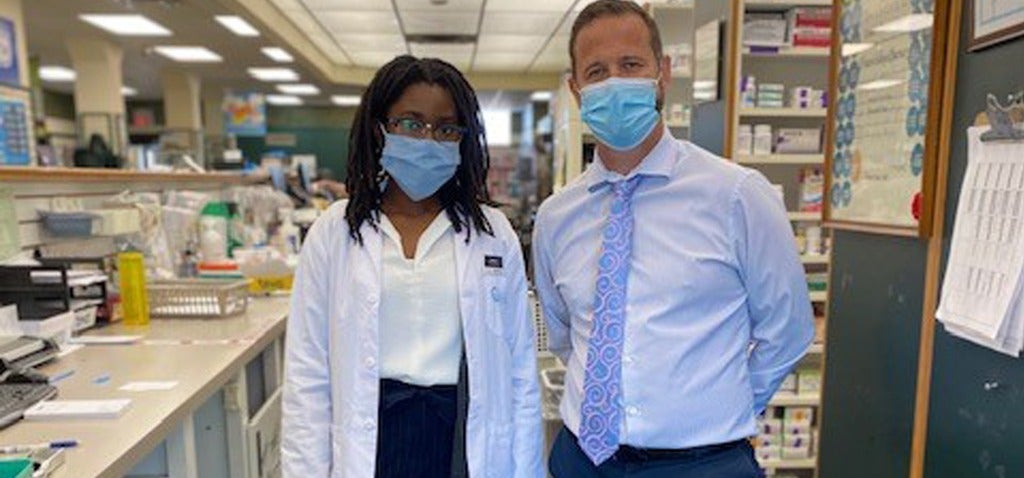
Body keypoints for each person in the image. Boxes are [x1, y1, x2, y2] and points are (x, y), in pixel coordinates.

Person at [532, 1, 815, 477]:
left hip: (704, 462)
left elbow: (787, 330)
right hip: (581, 460)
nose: (614, 82)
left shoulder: (737, 196)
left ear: (662, 74)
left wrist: (717, 408)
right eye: (597, 72)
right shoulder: (556, 216)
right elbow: (565, 335)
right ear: (576, 90)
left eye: (631, 65)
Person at [282, 55, 543, 478]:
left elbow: (521, 375)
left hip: (459, 440)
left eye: (445, 128)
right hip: (372, 443)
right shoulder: (335, 232)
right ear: (379, 128)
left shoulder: (493, 233)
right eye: (410, 123)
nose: (428, 139)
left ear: (462, 139)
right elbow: (306, 376)